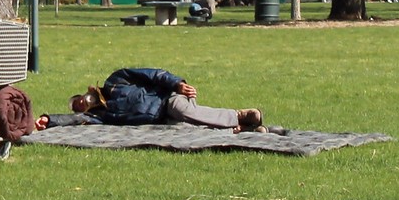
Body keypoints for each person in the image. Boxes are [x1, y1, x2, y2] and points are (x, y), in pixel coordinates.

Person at [35, 68, 267, 134]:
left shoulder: (116, 80)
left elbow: (153, 74)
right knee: (190, 132)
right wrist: (50, 120)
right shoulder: (99, 116)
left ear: (86, 93)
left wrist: (177, 84)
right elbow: (74, 121)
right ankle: (243, 130)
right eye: (79, 107)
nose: (82, 104)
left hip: (168, 100)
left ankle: (238, 116)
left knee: (187, 113)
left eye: (80, 100)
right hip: (161, 121)